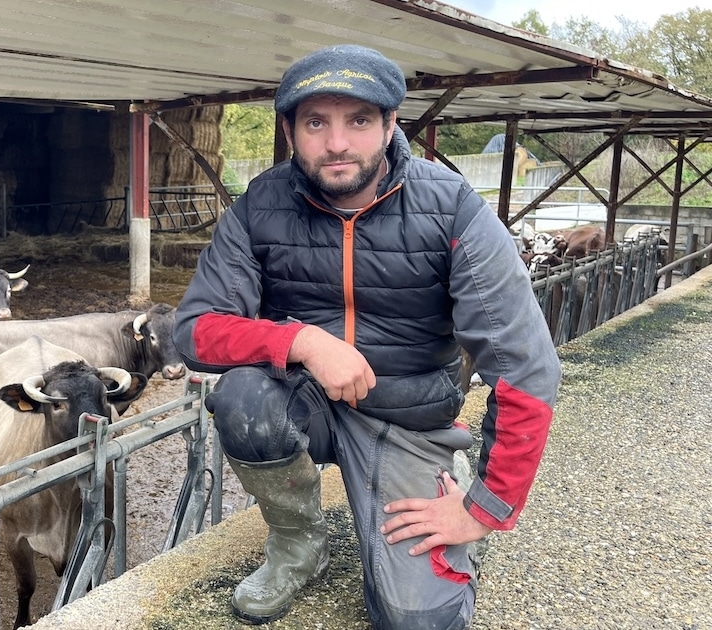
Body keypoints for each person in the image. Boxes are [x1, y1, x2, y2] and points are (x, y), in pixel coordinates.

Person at [174, 44, 561, 629]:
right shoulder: (262, 205)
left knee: (412, 620)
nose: (336, 143)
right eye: (315, 122)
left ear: (389, 125)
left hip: (408, 417)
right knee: (242, 397)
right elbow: (194, 330)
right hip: (306, 401)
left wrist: (485, 508)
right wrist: (303, 342)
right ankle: (298, 540)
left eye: (358, 120)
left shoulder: (453, 208)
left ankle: (439, 494)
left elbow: (526, 365)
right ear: (290, 130)